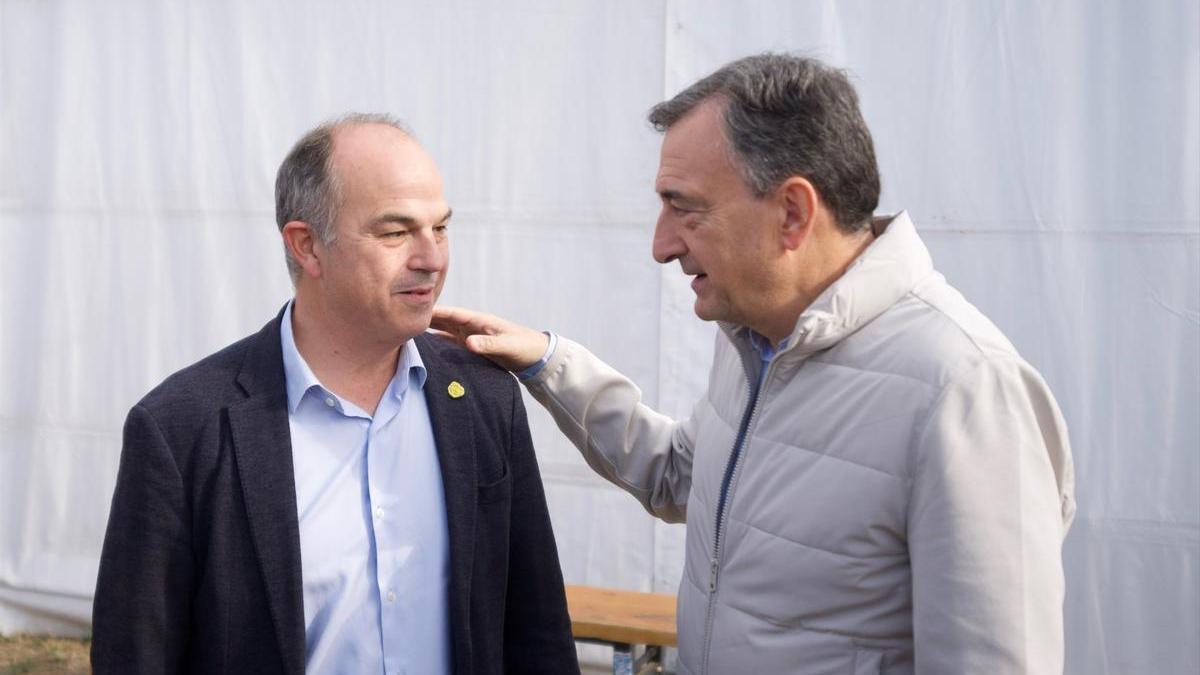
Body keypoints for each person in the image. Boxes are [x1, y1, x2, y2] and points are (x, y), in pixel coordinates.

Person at [433, 55, 1076, 674]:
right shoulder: (757, 339)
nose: (662, 245)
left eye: (685, 207)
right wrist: (549, 362)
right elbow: (682, 477)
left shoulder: (965, 390)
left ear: (792, 213)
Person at [92, 114, 579, 674]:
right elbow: (136, 654)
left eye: (440, 228)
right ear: (307, 247)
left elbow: (537, 629)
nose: (432, 258)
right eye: (395, 233)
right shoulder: (183, 428)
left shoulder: (484, 398)